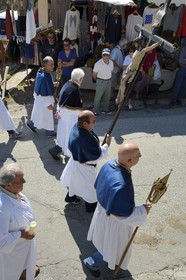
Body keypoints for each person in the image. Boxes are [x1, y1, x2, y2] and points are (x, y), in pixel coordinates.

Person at [83, 142, 152, 277]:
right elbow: (124, 215)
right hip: (114, 223)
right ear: (130, 160)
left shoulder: (109, 164)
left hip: (103, 211)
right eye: (139, 155)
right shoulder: (121, 185)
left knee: (105, 243)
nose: (140, 157)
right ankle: (92, 262)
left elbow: (98, 187)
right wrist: (143, 210)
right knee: (111, 248)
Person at [60, 110, 112, 212]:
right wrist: (107, 145)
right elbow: (97, 156)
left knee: (74, 182)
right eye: (93, 121)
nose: (95, 123)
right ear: (84, 123)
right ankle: (90, 207)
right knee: (91, 189)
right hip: (85, 168)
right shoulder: (84, 140)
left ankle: (70, 197)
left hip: (76, 163)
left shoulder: (76, 126)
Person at [0, 163, 40, 280]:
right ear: (8, 185)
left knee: (24, 263)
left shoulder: (14, 193)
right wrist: (21, 234)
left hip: (21, 248)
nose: (24, 181)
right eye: (20, 180)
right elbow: (1, 242)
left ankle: (25, 269)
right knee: (11, 273)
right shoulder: (2, 209)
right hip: (10, 255)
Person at [48, 68, 85, 160]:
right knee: (69, 137)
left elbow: (60, 100)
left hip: (63, 116)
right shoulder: (74, 90)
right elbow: (73, 109)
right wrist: (82, 114)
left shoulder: (68, 84)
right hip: (70, 119)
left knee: (62, 137)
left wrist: (58, 110)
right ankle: (71, 156)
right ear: (80, 79)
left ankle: (55, 150)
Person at [26, 56, 59, 137]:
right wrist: (48, 104)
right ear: (45, 65)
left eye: (53, 64)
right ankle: (49, 132)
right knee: (46, 116)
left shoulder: (41, 71)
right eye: (51, 64)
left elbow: (45, 85)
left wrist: (53, 84)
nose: (53, 66)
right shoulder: (44, 76)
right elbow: (44, 93)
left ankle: (32, 124)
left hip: (40, 99)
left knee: (38, 114)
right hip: (44, 100)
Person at [93, 48, 114, 116]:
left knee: (107, 96)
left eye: (107, 55)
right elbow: (94, 74)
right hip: (100, 81)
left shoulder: (111, 62)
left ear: (109, 55)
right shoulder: (98, 63)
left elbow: (111, 71)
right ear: (102, 55)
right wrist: (98, 81)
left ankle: (105, 109)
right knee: (98, 97)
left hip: (108, 81)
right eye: (104, 55)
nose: (105, 56)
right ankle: (95, 111)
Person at [170, 39, 186, 106]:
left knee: (184, 86)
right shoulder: (184, 49)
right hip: (182, 69)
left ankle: (178, 99)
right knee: (178, 85)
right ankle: (173, 100)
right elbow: (181, 61)